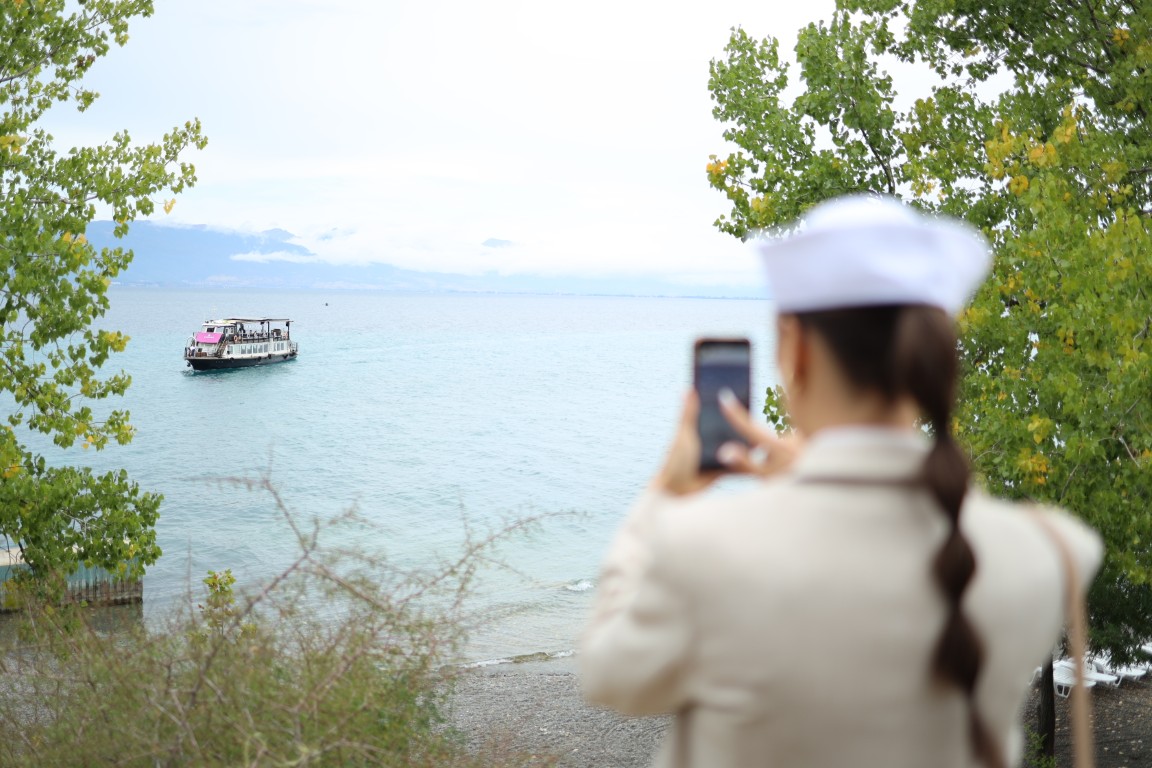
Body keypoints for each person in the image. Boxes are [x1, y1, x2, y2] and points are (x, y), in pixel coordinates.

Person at [580, 195, 1102, 768]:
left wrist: (664, 493)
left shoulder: (702, 548)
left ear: (796, 350)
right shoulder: (1052, 551)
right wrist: (809, 474)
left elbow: (607, 673)